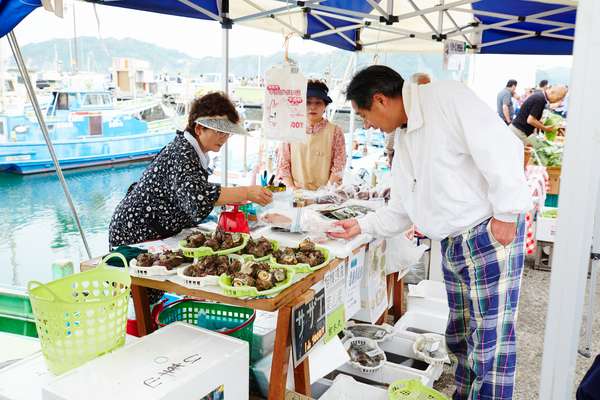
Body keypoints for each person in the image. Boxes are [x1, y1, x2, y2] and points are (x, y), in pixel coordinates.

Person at [330, 65, 531, 400]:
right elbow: (401, 207)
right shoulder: (406, 135)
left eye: (364, 115)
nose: (367, 125)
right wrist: (362, 225)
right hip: (454, 242)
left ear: (380, 100)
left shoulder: (445, 97)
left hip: (486, 233)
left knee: (490, 346)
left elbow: (503, 148)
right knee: (461, 336)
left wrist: (506, 215)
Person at [109, 92, 273, 249]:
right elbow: (196, 197)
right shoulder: (183, 152)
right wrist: (245, 192)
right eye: (219, 131)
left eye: (227, 133)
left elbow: (195, 192)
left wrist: (232, 196)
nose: (224, 137)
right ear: (199, 129)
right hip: (134, 234)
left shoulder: (191, 151)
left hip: (153, 230)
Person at [276, 80, 346, 190]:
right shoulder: (290, 130)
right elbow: (283, 165)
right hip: (296, 194)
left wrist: (325, 193)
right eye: (308, 102)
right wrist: (292, 189)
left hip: (325, 195)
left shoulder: (336, 131)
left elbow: (339, 166)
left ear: (325, 106)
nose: (312, 107)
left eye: (318, 102)